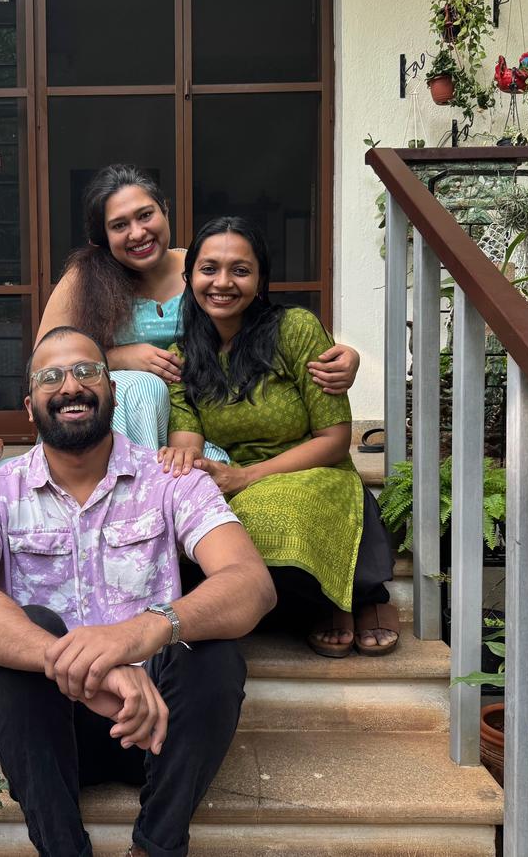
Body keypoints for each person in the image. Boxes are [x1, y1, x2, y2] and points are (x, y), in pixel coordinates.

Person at [0, 325, 276, 857]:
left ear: (111, 389)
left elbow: (251, 583)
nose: (70, 385)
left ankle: (156, 847)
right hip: (50, 734)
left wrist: (139, 634)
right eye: (51, 376)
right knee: (31, 628)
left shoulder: (171, 479)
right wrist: (73, 663)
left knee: (214, 648)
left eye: (86, 370)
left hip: (156, 726)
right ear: (29, 406)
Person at [158, 217, 398, 658]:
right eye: (209, 269)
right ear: (189, 275)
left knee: (280, 509)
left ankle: (357, 599)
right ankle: (322, 603)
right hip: (238, 479)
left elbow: (334, 438)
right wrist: (189, 466)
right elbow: (187, 439)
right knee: (222, 534)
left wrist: (246, 476)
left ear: (261, 279)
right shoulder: (184, 357)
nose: (223, 283)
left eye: (240, 270)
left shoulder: (296, 329)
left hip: (313, 469)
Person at [36, 164, 361, 452]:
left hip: (199, 423)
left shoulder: (206, 270)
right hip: (115, 425)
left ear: (165, 210)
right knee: (142, 387)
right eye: (119, 225)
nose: (137, 232)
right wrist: (118, 357)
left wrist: (344, 355)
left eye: (145, 215)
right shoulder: (84, 279)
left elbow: (263, 326)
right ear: (103, 236)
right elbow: (43, 363)